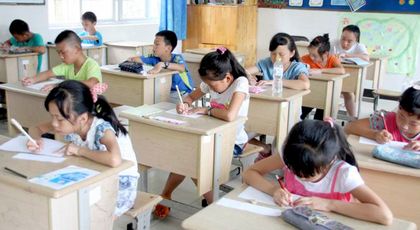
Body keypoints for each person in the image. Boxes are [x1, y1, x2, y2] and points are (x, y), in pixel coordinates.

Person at [154, 47, 249, 218]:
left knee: (194, 161)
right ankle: (168, 194)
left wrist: (206, 110)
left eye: (213, 85)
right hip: (209, 135)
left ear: (227, 77)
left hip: (232, 141)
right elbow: (190, 98)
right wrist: (185, 104)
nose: (210, 88)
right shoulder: (211, 81)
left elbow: (229, 115)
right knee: (186, 156)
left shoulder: (240, 83)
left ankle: (215, 206)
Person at [243, 119, 393, 225]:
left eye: (307, 175)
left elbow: (384, 215)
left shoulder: (343, 173)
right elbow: (250, 173)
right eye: (294, 171)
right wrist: (274, 190)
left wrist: (328, 205)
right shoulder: (292, 153)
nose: (299, 177)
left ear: (329, 162)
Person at [27, 80, 139, 217]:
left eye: (60, 119)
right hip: (96, 177)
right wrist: (35, 139)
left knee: (73, 212)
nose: (54, 124)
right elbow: (35, 128)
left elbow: (115, 160)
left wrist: (79, 150)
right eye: (52, 116)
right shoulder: (74, 122)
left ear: (83, 119)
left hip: (121, 186)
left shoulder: (101, 129)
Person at [21, 30, 102, 91]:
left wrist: (60, 85)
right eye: (58, 53)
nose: (61, 56)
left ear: (76, 49)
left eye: (63, 52)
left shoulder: (91, 64)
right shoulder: (68, 65)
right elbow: (47, 73)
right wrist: (32, 79)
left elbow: (92, 84)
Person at [345, 85, 420, 150]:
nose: (404, 126)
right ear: (398, 108)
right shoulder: (385, 121)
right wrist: (375, 134)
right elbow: (349, 127)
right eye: (401, 117)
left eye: (413, 123)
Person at [129, 30, 194, 103]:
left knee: (156, 102)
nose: (153, 46)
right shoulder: (154, 58)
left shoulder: (177, 58)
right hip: (165, 93)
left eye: (157, 44)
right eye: (154, 44)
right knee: (148, 99)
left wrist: (162, 64)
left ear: (168, 48)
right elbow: (134, 59)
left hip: (182, 94)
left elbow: (181, 67)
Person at [301, 34, 345, 120]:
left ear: (325, 54)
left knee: (321, 116)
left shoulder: (331, 59)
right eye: (310, 54)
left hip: (325, 96)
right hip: (309, 94)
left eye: (314, 55)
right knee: (300, 114)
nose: (311, 57)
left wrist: (321, 71)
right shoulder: (305, 59)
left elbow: (341, 70)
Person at [331, 25, 370, 119]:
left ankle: (352, 119)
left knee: (347, 92)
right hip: (333, 73)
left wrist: (347, 55)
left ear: (356, 40)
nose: (345, 43)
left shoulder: (359, 46)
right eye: (343, 39)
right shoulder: (333, 43)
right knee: (332, 91)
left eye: (349, 41)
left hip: (350, 75)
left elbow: (366, 58)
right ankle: (330, 117)